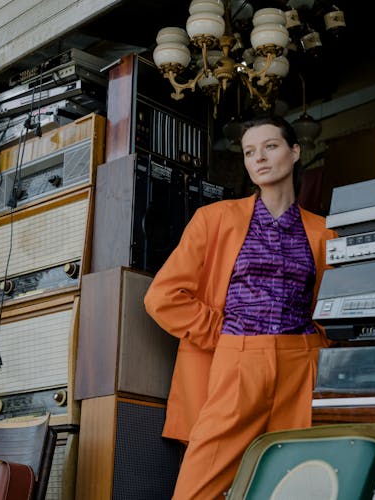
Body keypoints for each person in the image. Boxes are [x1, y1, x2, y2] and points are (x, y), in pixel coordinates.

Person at [144, 114, 337, 499]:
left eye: (270, 146)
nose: (259, 158)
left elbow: (334, 309)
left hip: (302, 364)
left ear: (295, 152)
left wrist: (319, 348)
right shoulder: (214, 219)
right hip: (237, 357)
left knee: (294, 485)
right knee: (198, 488)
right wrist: (224, 333)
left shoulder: (324, 230)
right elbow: (161, 297)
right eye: (250, 152)